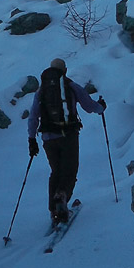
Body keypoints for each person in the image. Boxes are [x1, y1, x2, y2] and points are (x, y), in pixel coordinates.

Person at [27, 58, 106, 227]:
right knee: (69, 170)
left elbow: (33, 116)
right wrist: (101, 108)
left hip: (48, 138)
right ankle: (62, 197)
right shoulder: (71, 86)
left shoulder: (41, 91)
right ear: (65, 70)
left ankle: (53, 210)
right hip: (68, 135)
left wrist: (31, 139)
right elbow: (89, 105)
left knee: (56, 171)